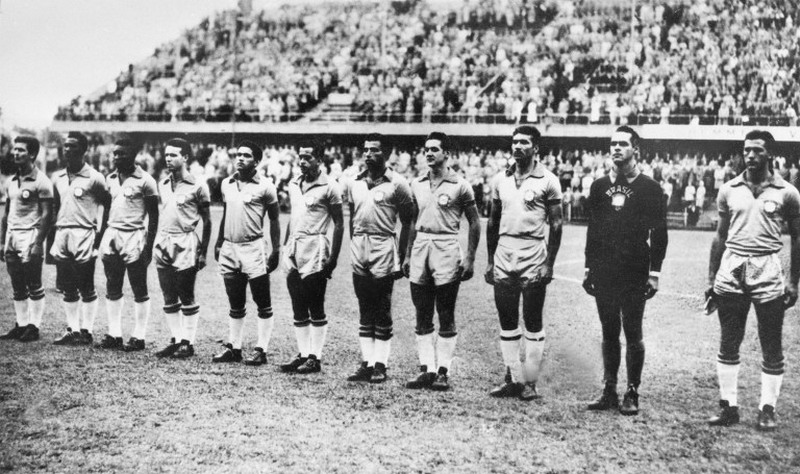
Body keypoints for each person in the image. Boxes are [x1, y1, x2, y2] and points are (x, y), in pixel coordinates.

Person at [706, 130, 799, 431]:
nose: (751, 155)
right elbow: (720, 237)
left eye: (758, 150)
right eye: (747, 150)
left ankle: (767, 409)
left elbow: (797, 239)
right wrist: (711, 277)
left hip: (767, 267)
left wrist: (794, 281)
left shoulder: (787, 192)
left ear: (769, 154)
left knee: (771, 342)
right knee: (728, 340)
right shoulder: (729, 189)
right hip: (733, 265)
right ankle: (727, 406)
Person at [583, 126, 668, 416]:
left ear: (636, 150)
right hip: (604, 267)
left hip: (634, 267)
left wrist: (654, 273)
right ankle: (609, 389)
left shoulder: (650, 187)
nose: (616, 148)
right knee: (608, 330)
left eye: (623, 144)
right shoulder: (598, 186)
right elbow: (593, 230)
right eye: (613, 144)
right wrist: (588, 266)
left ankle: (632, 390)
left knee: (632, 329)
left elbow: (659, 234)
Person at [485, 125, 563, 401]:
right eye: (514, 142)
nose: (517, 147)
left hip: (533, 253)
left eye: (524, 143)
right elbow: (492, 223)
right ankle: (513, 379)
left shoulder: (548, 180)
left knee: (532, 319)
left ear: (536, 148)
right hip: (505, 252)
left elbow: (556, 224)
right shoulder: (499, 180)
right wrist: (490, 261)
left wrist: (549, 264)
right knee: (507, 320)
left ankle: (530, 381)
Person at [402, 132, 481, 391]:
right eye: (426, 149)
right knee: (421, 311)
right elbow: (412, 221)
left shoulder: (460, 185)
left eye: (435, 149)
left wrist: (469, 257)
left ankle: (443, 371)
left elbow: (474, 221)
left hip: (446, 246)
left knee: (445, 311)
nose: (429, 153)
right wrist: (406, 254)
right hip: (421, 247)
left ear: (446, 154)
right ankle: (427, 369)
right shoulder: (417, 183)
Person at [342, 133, 413, 383]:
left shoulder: (398, 183)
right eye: (365, 150)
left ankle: (381, 364)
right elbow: (352, 216)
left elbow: (408, 220)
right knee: (364, 305)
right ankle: (366, 362)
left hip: (384, 244)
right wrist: (354, 242)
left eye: (374, 150)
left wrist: (403, 254)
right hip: (359, 244)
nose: (368, 154)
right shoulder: (354, 182)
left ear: (387, 153)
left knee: (382, 306)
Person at [212, 141, 281, 366]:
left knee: (262, 299)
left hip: (253, 247)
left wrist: (276, 249)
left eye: (247, 156)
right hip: (230, 247)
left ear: (257, 161)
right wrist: (219, 241)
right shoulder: (226, 184)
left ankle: (261, 349)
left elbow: (274, 219)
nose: (240, 158)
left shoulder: (266, 186)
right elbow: (225, 213)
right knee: (235, 299)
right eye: (238, 154)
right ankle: (235, 347)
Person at [279, 138, 344, 374]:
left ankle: (315, 357)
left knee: (315, 302)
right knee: (297, 302)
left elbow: (339, 224)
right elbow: (293, 216)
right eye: (300, 157)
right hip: (294, 247)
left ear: (319, 159)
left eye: (308, 157)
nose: (302, 161)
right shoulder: (294, 183)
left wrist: (333, 258)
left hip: (315, 246)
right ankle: (303, 353)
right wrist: (286, 246)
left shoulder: (330, 186)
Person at [97, 138, 159, 352]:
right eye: (115, 153)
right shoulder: (110, 178)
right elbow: (107, 209)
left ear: (133, 156)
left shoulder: (146, 180)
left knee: (138, 287)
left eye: (122, 154)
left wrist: (149, 247)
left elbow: (154, 216)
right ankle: (114, 333)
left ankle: (139, 336)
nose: (116, 157)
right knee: (112, 284)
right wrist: (101, 236)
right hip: (112, 233)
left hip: (134, 235)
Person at [152, 138, 212, 359]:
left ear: (185, 157)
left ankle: (188, 342)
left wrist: (203, 251)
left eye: (174, 155)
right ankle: (176, 339)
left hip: (186, 241)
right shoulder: (163, 183)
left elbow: (207, 220)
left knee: (186, 293)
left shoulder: (198, 185)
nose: (169, 159)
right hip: (164, 241)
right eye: (167, 155)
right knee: (168, 294)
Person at [50, 132, 111, 346]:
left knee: (86, 284)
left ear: (83, 150)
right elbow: (55, 207)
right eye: (65, 146)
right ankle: (73, 329)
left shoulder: (94, 177)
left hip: (84, 233)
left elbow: (107, 204)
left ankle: (86, 330)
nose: (67, 149)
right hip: (62, 233)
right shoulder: (57, 177)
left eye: (72, 146)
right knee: (67, 285)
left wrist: (100, 234)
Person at [0, 136, 54, 342]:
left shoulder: (42, 181)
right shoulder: (11, 181)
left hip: (30, 235)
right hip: (13, 235)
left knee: (34, 282)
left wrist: (38, 243)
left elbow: (48, 214)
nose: (16, 153)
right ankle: (21, 324)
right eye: (14, 149)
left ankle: (34, 326)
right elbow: (6, 214)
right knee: (17, 283)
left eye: (21, 150)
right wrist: (2, 241)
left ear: (31, 154)